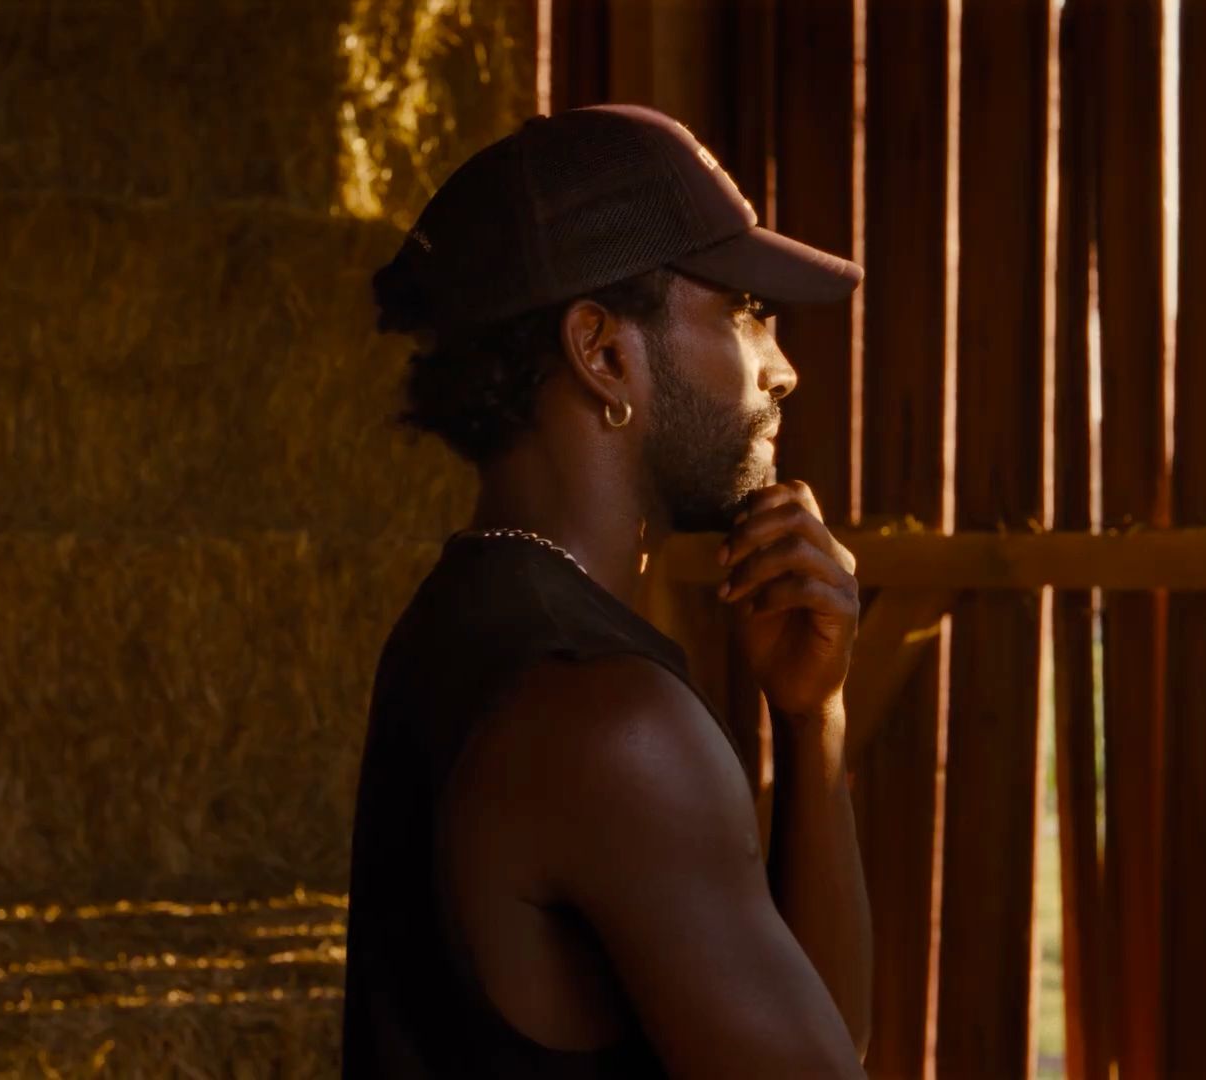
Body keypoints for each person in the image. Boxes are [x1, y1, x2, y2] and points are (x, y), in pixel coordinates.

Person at [342, 103, 871, 1079]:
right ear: (605, 353)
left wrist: (810, 721)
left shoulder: (472, 626)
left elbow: (815, 1036)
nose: (783, 370)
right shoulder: (604, 721)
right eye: (743, 311)